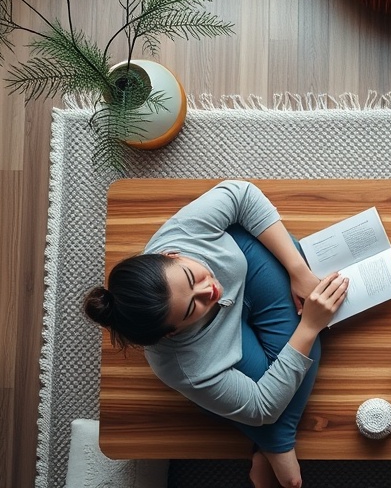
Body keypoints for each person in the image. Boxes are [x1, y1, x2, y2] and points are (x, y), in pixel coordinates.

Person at [83, 180, 349, 488]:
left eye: (190, 275)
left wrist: (298, 272)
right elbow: (261, 406)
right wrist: (310, 325)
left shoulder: (181, 235)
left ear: (172, 255)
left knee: (268, 250)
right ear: (171, 333)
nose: (208, 290)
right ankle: (275, 440)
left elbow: (242, 194)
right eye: (191, 307)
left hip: (246, 273)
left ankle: (275, 442)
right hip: (227, 346)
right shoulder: (186, 366)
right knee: (304, 352)